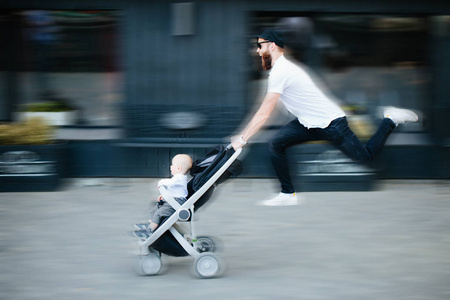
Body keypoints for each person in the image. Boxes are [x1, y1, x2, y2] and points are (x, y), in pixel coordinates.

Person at [231, 28, 418, 206]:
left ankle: (390, 119)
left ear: (272, 46)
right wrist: (247, 135)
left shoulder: (281, 71)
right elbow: (273, 112)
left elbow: (264, 113)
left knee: (366, 157)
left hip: (331, 124)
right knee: (275, 144)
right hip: (308, 124)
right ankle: (287, 194)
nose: (257, 50)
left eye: (260, 46)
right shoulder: (280, 71)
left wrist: (242, 138)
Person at [133, 154, 193, 240]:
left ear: (179, 168)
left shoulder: (179, 178)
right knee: (155, 209)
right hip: (173, 201)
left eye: (172, 165)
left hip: (176, 203)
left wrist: (161, 182)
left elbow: (170, 183)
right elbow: (174, 190)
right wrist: (164, 195)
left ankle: (149, 231)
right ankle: (150, 224)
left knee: (158, 213)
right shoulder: (178, 179)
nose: (170, 167)